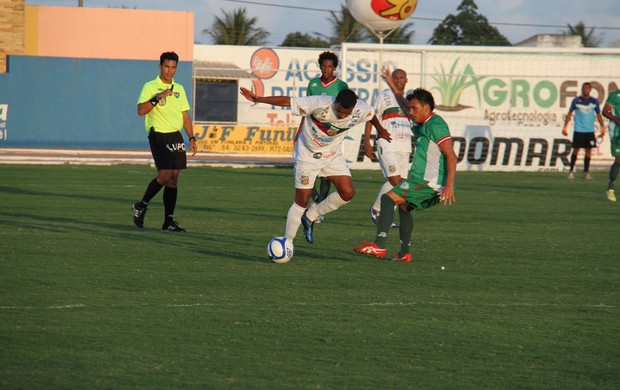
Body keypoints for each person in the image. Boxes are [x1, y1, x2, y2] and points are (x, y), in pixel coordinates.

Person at [240, 87, 391, 244]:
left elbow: (371, 115)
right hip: (307, 156)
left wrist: (380, 130)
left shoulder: (361, 108)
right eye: (340, 111)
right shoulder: (320, 103)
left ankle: (310, 216)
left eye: (347, 113)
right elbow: (288, 101)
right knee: (302, 200)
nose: (343, 115)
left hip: (332, 155)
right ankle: (287, 242)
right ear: (336, 102)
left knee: (348, 192)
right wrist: (258, 99)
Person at [354, 69, 457, 262]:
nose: (410, 112)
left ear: (426, 107)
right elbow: (403, 102)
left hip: (429, 182)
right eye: (410, 109)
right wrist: (392, 86)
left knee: (387, 199)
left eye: (414, 108)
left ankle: (379, 245)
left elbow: (451, 156)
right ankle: (404, 254)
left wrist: (449, 185)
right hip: (424, 180)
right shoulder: (422, 121)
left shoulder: (436, 125)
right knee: (404, 207)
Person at [131, 51, 197, 232]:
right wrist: (159, 96)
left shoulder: (180, 89)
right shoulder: (150, 86)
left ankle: (168, 222)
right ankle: (141, 205)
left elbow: (184, 115)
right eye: (167, 67)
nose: (170, 71)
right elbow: (141, 111)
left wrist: (191, 137)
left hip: (175, 135)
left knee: (174, 179)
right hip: (158, 134)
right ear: (160, 67)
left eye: (173, 67)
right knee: (165, 175)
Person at [299, 51, 349, 219]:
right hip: (312, 133)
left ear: (334, 68)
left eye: (330, 66)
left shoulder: (342, 86)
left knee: (326, 175)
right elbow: (306, 109)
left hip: (331, 135)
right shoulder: (313, 84)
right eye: (324, 66)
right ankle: (316, 202)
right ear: (320, 66)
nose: (326, 69)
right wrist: (299, 131)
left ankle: (318, 208)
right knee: (307, 171)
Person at [364, 68, 412, 228]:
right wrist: (367, 141)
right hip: (388, 144)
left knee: (401, 183)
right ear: (391, 80)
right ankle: (376, 209)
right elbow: (370, 116)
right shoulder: (384, 96)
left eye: (401, 77)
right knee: (395, 181)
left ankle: (386, 215)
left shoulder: (410, 99)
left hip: (405, 146)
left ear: (406, 80)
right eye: (395, 77)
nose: (398, 80)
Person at [562, 82, 606, 180]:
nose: (585, 90)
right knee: (576, 150)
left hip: (589, 131)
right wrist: (565, 126)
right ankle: (571, 171)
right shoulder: (576, 100)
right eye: (583, 88)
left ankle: (586, 172)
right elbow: (569, 114)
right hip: (579, 130)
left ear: (590, 90)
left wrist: (602, 126)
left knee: (588, 151)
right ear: (582, 89)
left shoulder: (594, 101)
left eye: (587, 88)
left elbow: (598, 114)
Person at [602, 88, 620, 202]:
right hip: (617, 131)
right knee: (619, 159)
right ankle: (610, 188)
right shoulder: (615, 96)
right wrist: (616, 119)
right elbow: (605, 111)